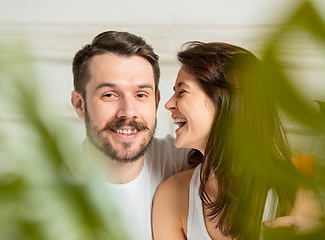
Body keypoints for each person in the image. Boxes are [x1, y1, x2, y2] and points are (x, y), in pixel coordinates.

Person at [152, 42, 323, 239]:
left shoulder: (296, 194)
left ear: (225, 102)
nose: (168, 104)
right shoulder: (171, 197)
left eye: (182, 92)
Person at [70, 31, 191, 240]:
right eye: (109, 94)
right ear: (80, 105)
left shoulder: (186, 160)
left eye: (141, 95)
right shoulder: (44, 187)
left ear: (155, 101)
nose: (128, 111)